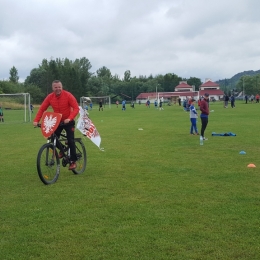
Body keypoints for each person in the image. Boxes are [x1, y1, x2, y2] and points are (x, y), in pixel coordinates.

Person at [33, 80, 79, 170]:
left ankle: (73, 161)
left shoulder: (68, 95)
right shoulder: (50, 97)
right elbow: (42, 109)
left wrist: (69, 118)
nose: (58, 89)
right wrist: (36, 120)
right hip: (57, 121)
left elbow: (76, 108)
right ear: (52, 88)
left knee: (70, 140)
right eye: (55, 87)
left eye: (59, 87)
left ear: (61, 87)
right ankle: (63, 149)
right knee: (53, 138)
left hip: (68, 121)